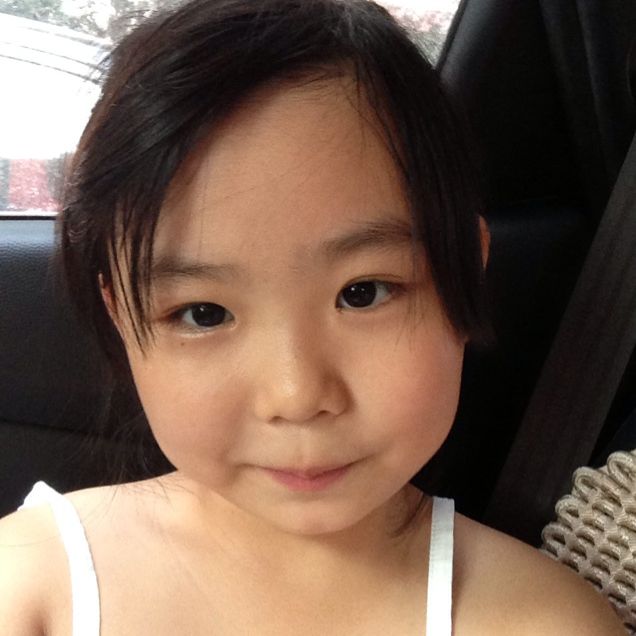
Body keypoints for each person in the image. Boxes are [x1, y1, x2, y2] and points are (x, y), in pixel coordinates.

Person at [0, 0, 625, 634]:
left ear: (467, 268)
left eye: (364, 293)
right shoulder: (32, 584)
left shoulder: (547, 622)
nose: (296, 396)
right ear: (121, 319)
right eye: (204, 313)